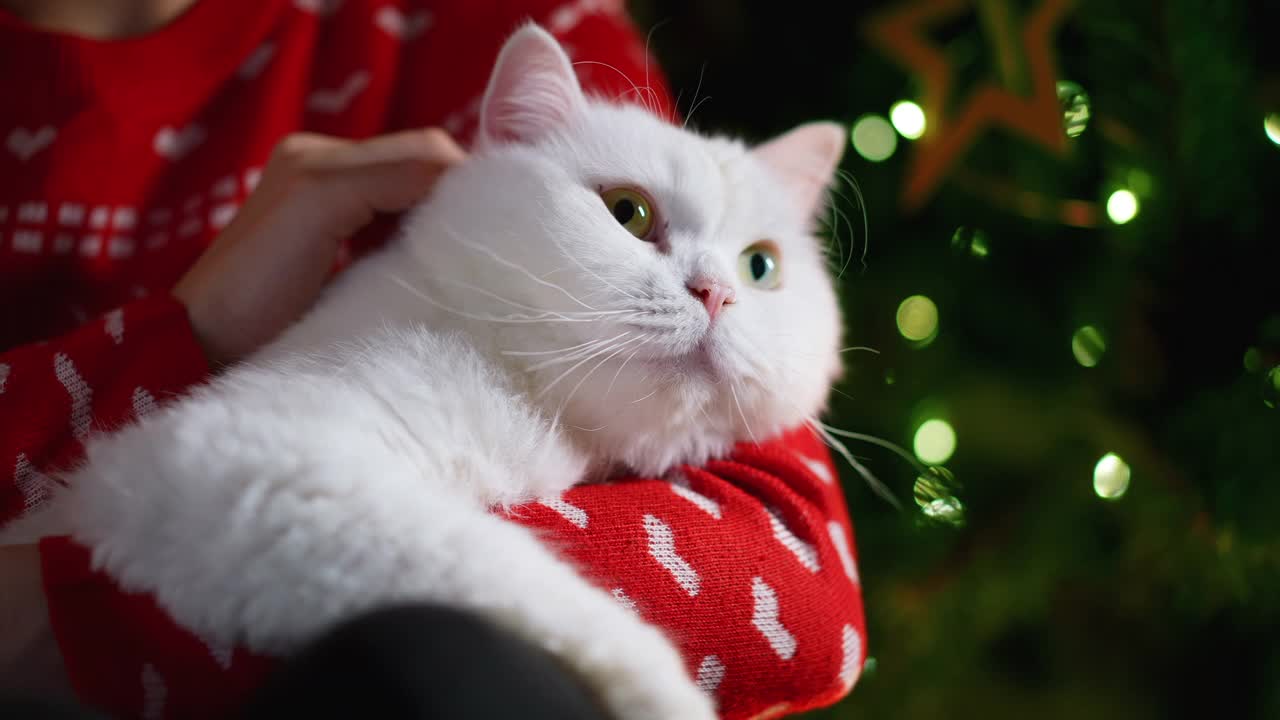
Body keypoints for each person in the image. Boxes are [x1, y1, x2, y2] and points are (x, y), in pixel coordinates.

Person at [0, 1, 868, 718]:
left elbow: (813, 599)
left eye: (761, 265)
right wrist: (621, 671)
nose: (716, 288)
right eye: (635, 215)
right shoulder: (439, 343)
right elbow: (218, 481)